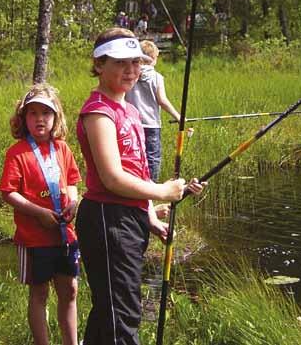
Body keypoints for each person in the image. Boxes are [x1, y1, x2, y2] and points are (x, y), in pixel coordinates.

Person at [75, 27, 206, 345]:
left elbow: (136, 172)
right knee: (122, 316)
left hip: (128, 220)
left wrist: (149, 217)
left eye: (136, 62)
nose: (131, 70)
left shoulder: (129, 110)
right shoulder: (99, 113)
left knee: (110, 313)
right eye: (121, 62)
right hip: (108, 220)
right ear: (99, 65)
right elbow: (112, 177)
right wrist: (162, 191)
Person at [0, 83, 82, 345]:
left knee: (69, 290)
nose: (39, 119)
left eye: (45, 113)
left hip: (65, 235)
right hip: (34, 237)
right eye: (32, 113)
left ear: (56, 117)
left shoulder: (63, 149)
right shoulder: (17, 153)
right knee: (39, 293)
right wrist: (37, 212)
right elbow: (8, 192)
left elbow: (72, 181)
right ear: (23, 119)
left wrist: (73, 201)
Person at [125, 40, 181, 182]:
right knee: (153, 158)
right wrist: (178, 116)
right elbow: (162, 100)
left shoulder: (131, 75)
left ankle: (135, 184)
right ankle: (151, 187)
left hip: (131, 123)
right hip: (151, 124)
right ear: (153, 58)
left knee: (134, 156)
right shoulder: (157, 77)